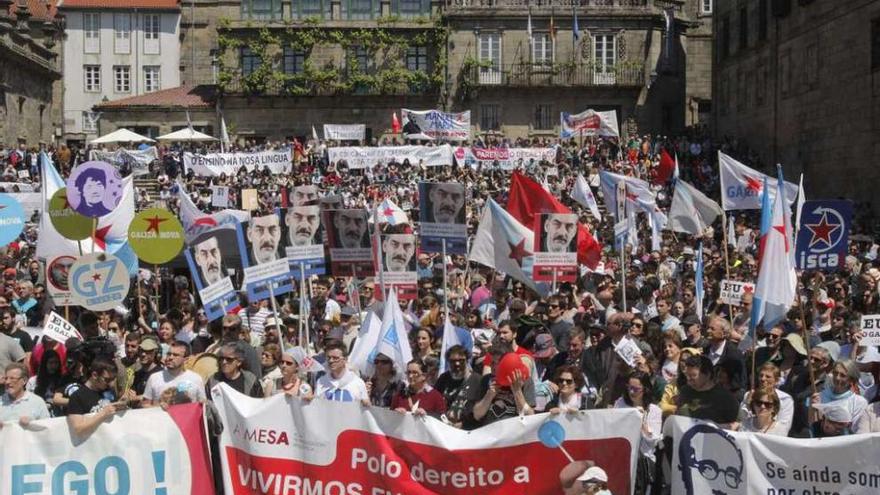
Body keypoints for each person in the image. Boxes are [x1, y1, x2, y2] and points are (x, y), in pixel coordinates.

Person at [614, 371, 661, 494]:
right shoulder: (620, 403)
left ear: (645, 389)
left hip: (643, 461)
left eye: (636, 389)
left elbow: (652, 442)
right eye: (629, 388)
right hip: (622, 458)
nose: (631, 392)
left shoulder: (654, 410)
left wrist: (641, 422)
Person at [676, 354, 740, 425]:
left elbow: (735, 425)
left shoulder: (726, 398)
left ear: (707, 374)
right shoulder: (685, 391)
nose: (689, 380)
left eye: (693, 376)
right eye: (687, 376)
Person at [66, 359, 122, 438]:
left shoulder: (109, 391)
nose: (111, 384)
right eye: (107, 380)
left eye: (113, 379)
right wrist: (103, 414)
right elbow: (78, 429)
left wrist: (121, 406)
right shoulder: (77, 396)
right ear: (95, 375)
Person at [142, 341, 206, 407]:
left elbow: (202, 405)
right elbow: (145, 404)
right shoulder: (154, 378)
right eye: (169, 354)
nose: (170, 357)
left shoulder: (196, 379)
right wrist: (158, 408)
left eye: (175, 355)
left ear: (186, 359)